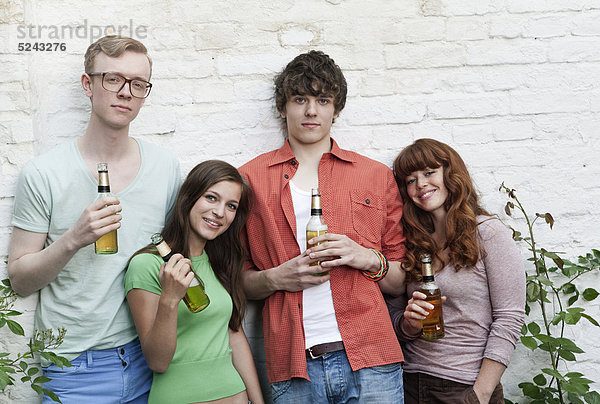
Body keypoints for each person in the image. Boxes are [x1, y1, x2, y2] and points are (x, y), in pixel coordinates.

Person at [7, 36, 181, 403]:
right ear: (88, 85)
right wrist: (74, 238)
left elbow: (171, 259)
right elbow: (20, 279)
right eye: (112, 79)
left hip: (148, 358)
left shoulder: (166, 168)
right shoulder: (44, 173)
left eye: (138, 84)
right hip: (74, 367)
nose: (126, 92)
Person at [239, 50, 406, 403]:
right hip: (293, 365)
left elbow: (401, 279)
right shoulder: (250, 180)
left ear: (336, 109)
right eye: (300, 99)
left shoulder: (374, 176)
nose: (311, 110)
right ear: (283, 108)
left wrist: (366, 257)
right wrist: (274, 278)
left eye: (322, 99)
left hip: (372, 359)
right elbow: (233, 279)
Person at [388, 138, 526, 404]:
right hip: (408, 383)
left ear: (451, 174)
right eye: (410, 180)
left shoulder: (487, 233)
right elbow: (395, 315)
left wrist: (480, 394)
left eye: (429, 173)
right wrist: (409, 324)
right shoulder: (413, 241)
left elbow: (509, 318)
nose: (421, 184)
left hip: (463, 387)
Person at [124, 160, 264, 404]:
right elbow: (158, 362)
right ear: (189, 198)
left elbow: (234, 336)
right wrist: (170, 297)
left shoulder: (219, 264)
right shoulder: (147, 265)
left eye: (231, 206)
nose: (220, 212)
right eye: (211, 198)